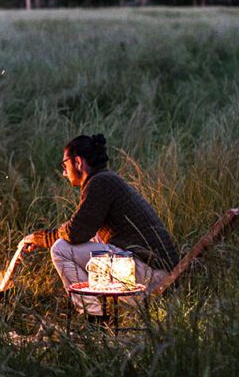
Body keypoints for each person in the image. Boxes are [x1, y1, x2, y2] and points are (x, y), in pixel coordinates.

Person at [23, 133, 179, 317]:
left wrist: (39, 237)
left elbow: (74, 232)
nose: (64, 172)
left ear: (78, 162)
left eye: (65, 165)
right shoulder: (105, 179)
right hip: (155, 272)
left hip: (153, 278)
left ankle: (94, 317)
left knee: (60, 249)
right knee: (93, 237)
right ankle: (103, 311)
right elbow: (82, 229)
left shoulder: (100, 183)